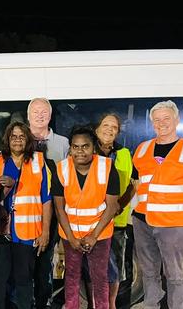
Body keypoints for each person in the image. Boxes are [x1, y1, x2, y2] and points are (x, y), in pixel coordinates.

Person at [131, 100, 183, 309]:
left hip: (174, 223)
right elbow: (136, 181)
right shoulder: (142, 149)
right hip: (143, 220)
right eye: (157, 120)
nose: (162, 123)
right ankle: (151, 304)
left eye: (166, 118)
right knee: (148, 269)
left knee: (174, 273)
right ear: (152, 124)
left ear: (177, 120)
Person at [52, 126, 119, 309]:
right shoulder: (61, 168)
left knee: (100, 279)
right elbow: (59, 208)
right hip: (70, 235)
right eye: (75, 147)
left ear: (94, 147)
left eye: (85, 146)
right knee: (72, 277)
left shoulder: (107, 167)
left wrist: (93, 236)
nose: (80, 151)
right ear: (70, 148)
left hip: (99, 234)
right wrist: (72, 238)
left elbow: (112, 206)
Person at [0, 122, 51, 309]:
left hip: (27, 233)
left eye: (21, 136)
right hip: (0, 232)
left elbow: (46, 199)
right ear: (7, 139)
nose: (17, 140)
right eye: (13, 136)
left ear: (28, 139)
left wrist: (45, 232)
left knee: (24, 280)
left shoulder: (38, 161)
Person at [27, 97, 68, 309]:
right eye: (35, 111)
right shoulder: (20, 140)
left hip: (51, 213)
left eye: (44, 111)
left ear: (50, 116)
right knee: (25, 264)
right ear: (28, 116)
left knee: (46, 261)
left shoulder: (63, 143)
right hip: (25, 214)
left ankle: (44, 301)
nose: (40, 115)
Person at [94, 114, 134, 309]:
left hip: (116, 222)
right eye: (105, 125)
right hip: (90, 222)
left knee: (114, 268)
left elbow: (133, 184)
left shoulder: (124, 153)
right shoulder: (86, 150)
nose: (109, 129)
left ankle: (111, 305)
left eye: (114, 127)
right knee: (92, 268)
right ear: (96, 129)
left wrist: (119, 206)